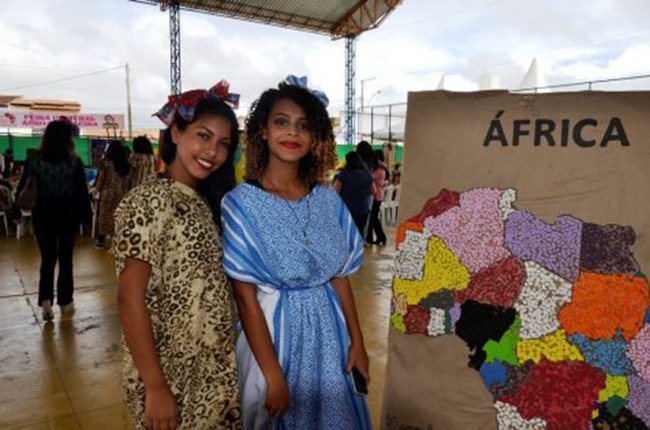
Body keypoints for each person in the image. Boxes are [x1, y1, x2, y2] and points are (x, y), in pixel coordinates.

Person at [221, 75, 371, 429]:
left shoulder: (327, 200)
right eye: (282, 122)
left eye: (303, 126)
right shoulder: (241, 203)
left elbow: (338, 275)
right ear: (262, 131)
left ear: (314, 136)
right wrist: (272, 376)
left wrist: (358, 342)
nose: (292, 133)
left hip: (331, 334)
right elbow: (245, 299)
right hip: (273, 335)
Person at [112, 80, 243, 430]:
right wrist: (155, 387)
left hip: (211, 373)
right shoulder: (148, 201)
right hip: (170, 375)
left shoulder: (205, 203)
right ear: (176, 133)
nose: (213, 151)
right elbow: (129, 298)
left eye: (224, 144)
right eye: (203, 135)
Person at [15, 120, 92, 320]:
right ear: (68, 138)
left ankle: (46, 302)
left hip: (43, 215)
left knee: (47, 258)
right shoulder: (74, 162)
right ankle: (66, 301)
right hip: (68, 215)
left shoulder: (34, 159)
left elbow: (24, 186)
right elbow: (82, 192)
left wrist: (16, 209)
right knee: (65, 258)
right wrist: (87, 217)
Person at [94, 140, 131, 248]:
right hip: (121, 193)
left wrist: (97, 191)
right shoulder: (126, 164)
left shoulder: (105, 162)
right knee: (118, 215)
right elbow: (128, 181)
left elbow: (101, 179)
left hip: (108, 192)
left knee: (104, 215)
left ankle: (101, 240)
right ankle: (117, 240)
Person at [334, 151, 374, 235]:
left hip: (347, 209)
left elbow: (336, 191)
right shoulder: (367, 174)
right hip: (362, 209)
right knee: (359, 233)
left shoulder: (343, 174)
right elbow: (374, 191)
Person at [366, 149, 388, 245]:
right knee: (374, 218)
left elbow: (369, 177)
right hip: (377, 196)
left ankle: (372, 238)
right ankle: (381, 237)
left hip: (376, 196)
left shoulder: (380, 170)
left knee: (372, 218)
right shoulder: (381, 169)